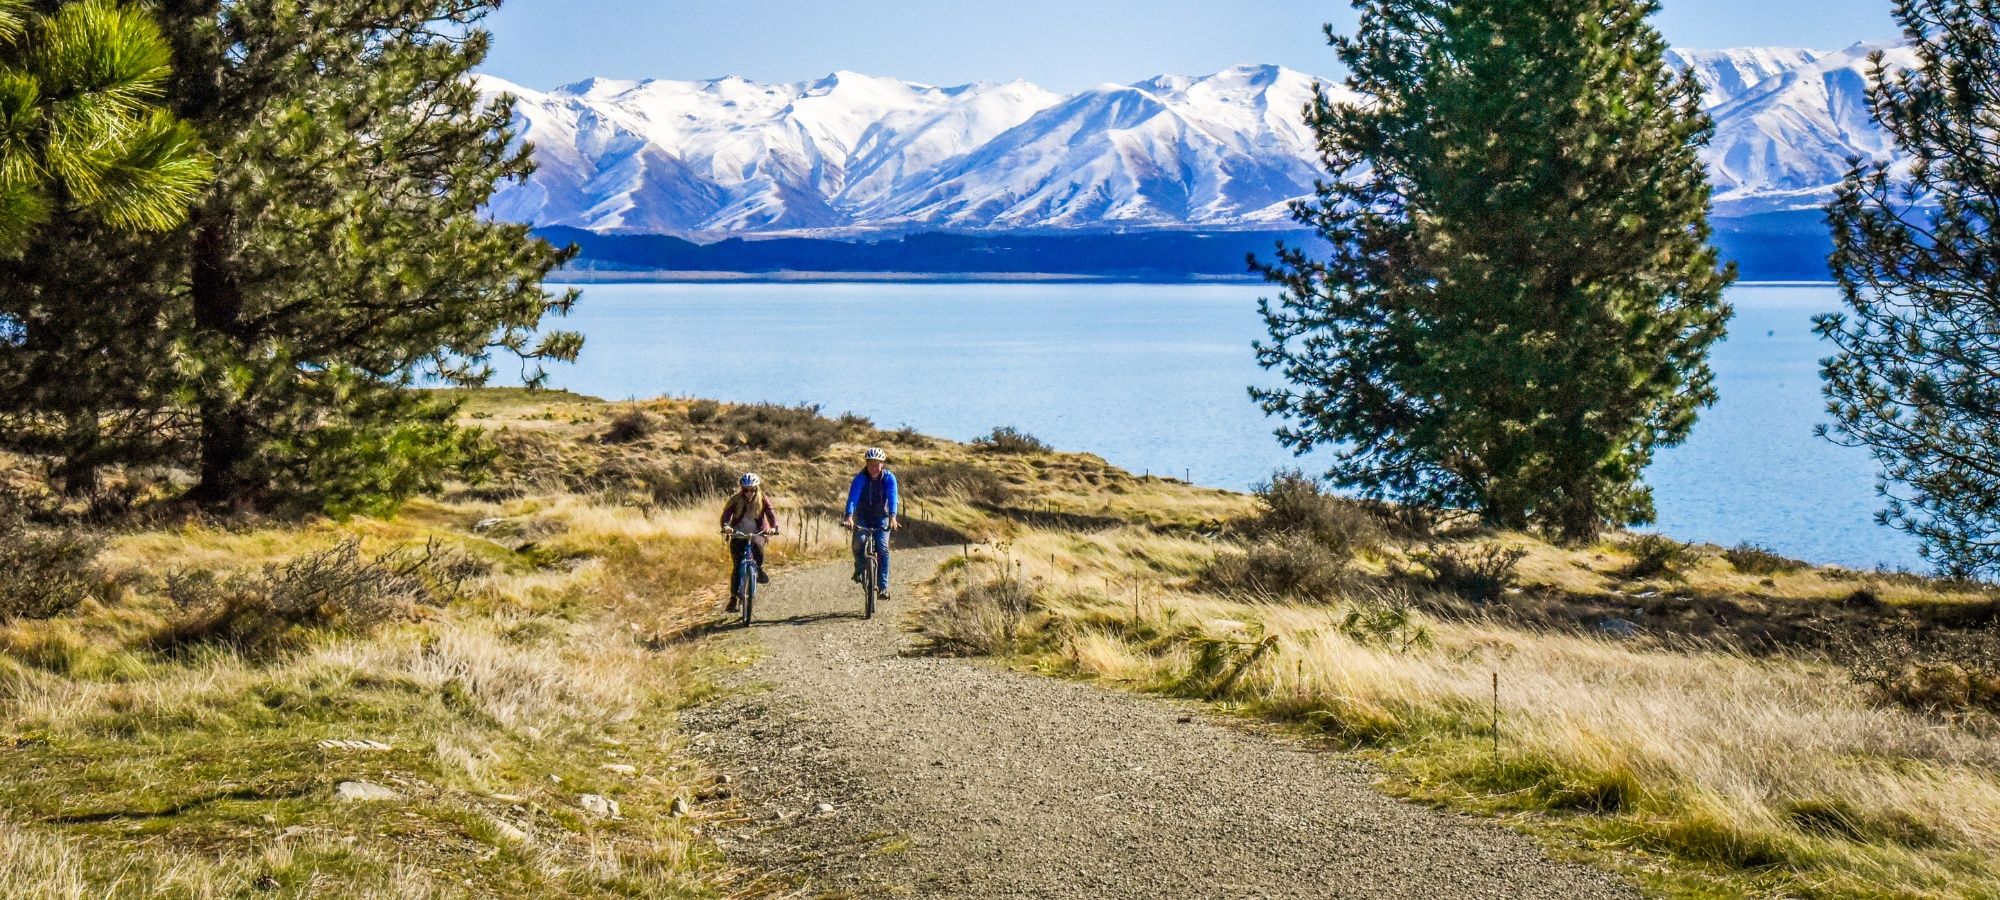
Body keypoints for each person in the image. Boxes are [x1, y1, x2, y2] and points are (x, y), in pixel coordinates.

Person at [841, 447, 900, 599]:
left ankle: (883, 587)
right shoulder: (860, 478)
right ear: (866, 464)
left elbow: (893, 497)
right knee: (858, 542)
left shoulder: (889, 478)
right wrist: (849, 516)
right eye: (871, 464)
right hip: (863, 517)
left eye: (877, 464)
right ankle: (860, 568)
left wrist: (893, 517)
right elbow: (853, 498)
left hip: (882, 517)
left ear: (882, 464)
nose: (874, 468)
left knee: (883, 548)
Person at [720, 472, 779, 611]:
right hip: (738, 534)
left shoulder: (763, 500)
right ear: (742, 489)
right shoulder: (735, 500)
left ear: (757, 489)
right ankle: (733, 599)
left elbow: (771, 515)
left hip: (757, 533)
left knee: (758, 549)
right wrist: (726, 527)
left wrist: (773, 528)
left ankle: (759, 569)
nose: (749, 493)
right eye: (746, 489)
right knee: (737, 566)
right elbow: (726, 516)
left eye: (752, 489)